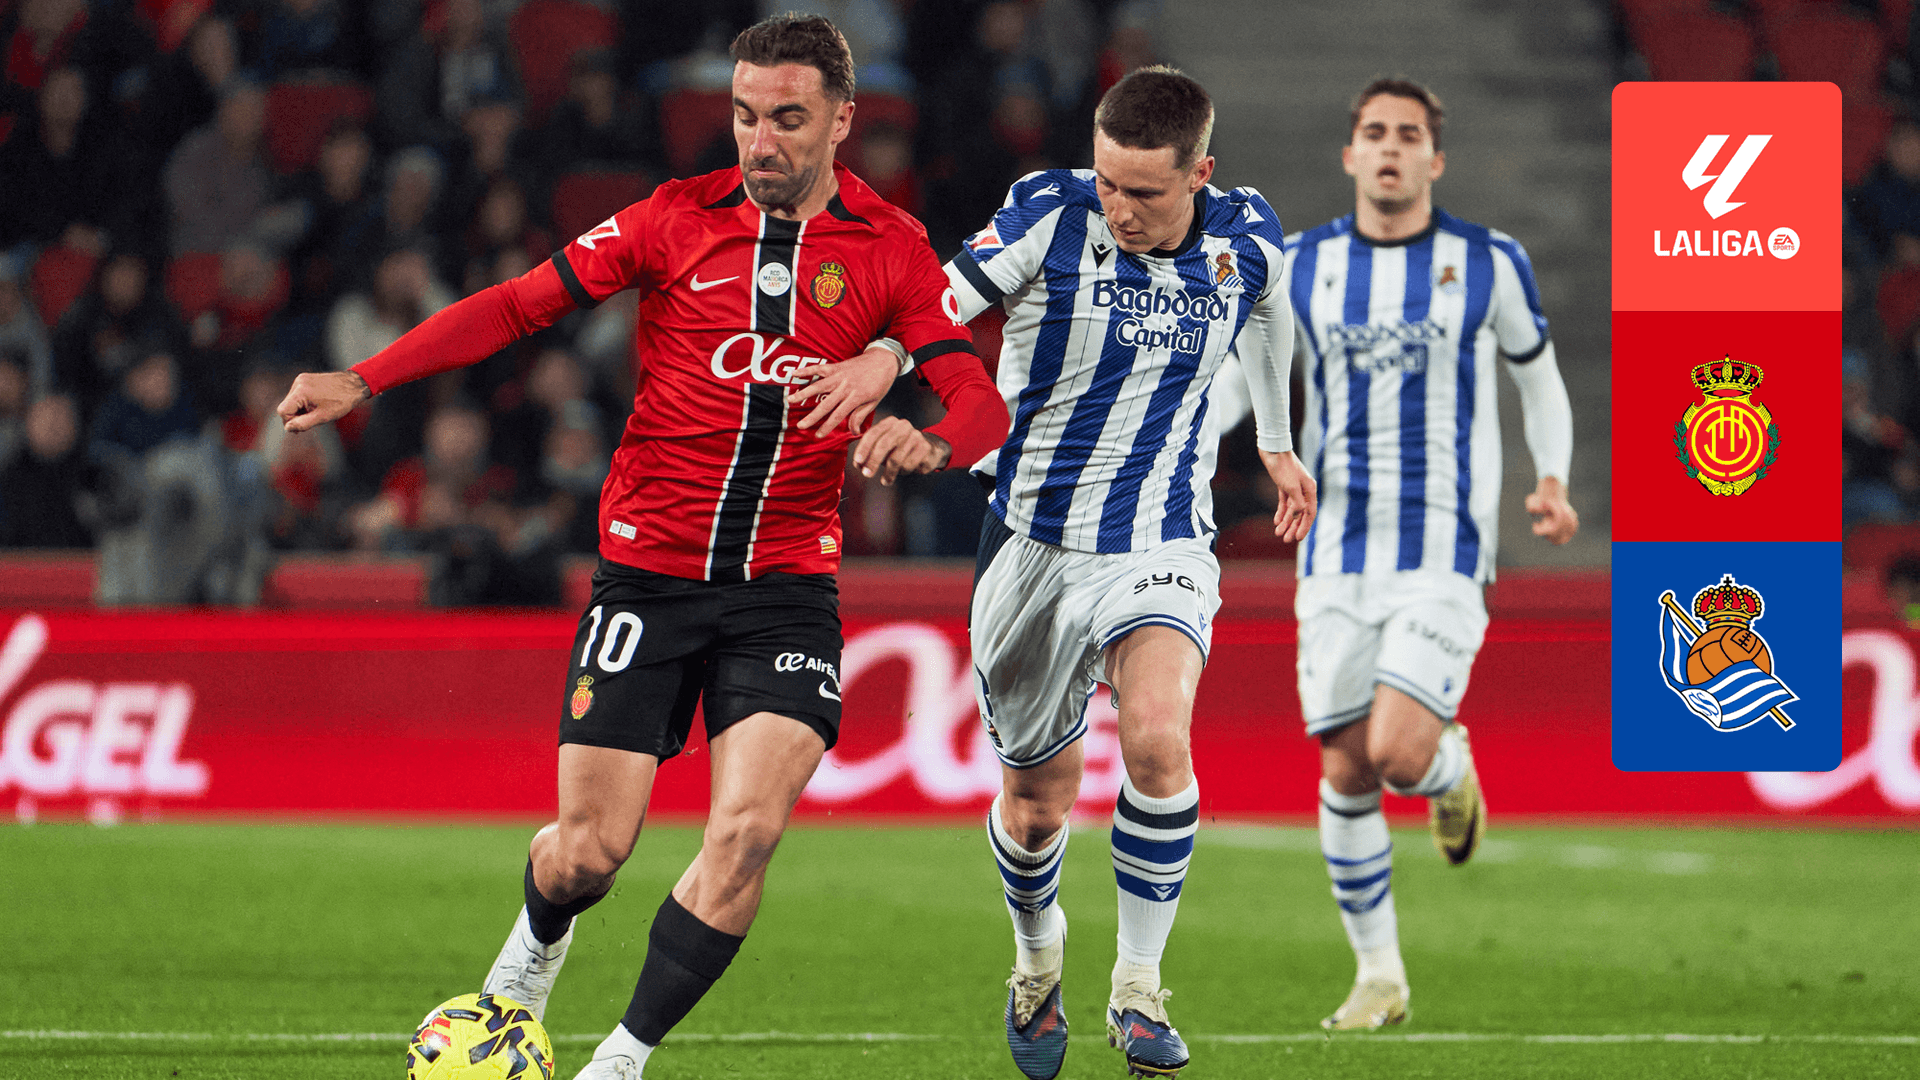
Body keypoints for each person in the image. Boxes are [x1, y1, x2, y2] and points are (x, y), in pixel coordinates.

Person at [276, 14, 1006, 1079]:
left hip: (784, 590)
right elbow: (517, 306)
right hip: (647, 580)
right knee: (587, 855)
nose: (760, 141)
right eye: (745, 116)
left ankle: (619, 1062)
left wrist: (925, 432)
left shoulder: (891, 248)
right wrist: (365, 378)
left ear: (843, 121)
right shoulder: (673, 219)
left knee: (746, 834)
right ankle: (528, 964)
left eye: (788, 119)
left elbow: (980, 400)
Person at [940, 66, 1315, 1080]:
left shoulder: (1245, 236)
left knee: (1155, 739)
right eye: (1109, 181)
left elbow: (1270, 309)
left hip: (1160, 537)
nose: (1121, 208)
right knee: (1037, 805)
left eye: (1145, 192)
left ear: (1200, 173)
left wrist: (1277, 442)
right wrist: (890, 373)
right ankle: (1037, 959)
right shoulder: (1047, 213)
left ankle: (1139, 988)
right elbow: (937, 305)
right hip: (1029, 541)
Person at [1280, 78, 1577, 1031]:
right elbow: (1249, 381)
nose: (1391, 147)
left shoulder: (1487, 261)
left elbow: (1539, 377)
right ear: (1350, 154)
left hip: (1443, 547)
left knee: (1399, 753)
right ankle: (1380, 977)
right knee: (1345, 770)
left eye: (1409, 135)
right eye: (1375, 132)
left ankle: (1447, 771)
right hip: (1332, 550)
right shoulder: (1300, 264)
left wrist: (1552, 478)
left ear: (1435, 160)